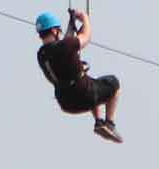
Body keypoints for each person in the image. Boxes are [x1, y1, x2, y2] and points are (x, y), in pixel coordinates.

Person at [35, 8, 121, 142]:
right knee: (113, 83)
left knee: (89, 80)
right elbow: (86, 36)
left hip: (66, 103)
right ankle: (109, 123)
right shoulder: (65, 46)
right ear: (54, 31)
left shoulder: (41, 55)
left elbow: (65, 43)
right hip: (84, 96)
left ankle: (98, 121)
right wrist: (85, 18)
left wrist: (72, 22)